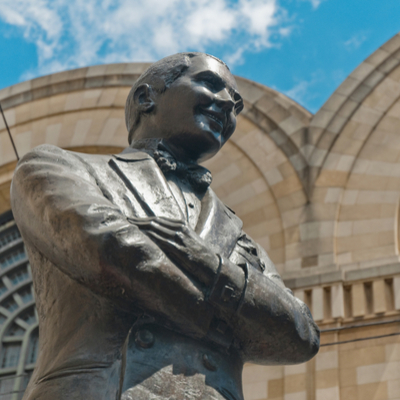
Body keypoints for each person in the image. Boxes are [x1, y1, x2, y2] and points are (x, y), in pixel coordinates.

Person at [11, 52, 319, 400]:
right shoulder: (58, 166)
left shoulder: (238, 235)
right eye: (211, 84)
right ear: (146, 98)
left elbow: (301, 334)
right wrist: (231, 323)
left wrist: (211, 265)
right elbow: (113, 253)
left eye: (236, 104)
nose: (226, 106)